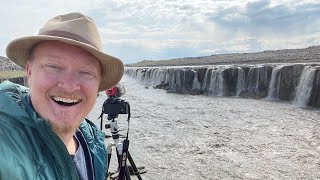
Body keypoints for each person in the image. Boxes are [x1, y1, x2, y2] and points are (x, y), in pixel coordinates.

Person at [0, 12, 124, 180]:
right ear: (29, 72)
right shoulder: (5, 141)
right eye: (54, 66)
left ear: (98, 85)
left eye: (86, 72)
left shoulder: (95, 143)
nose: (70, 85)